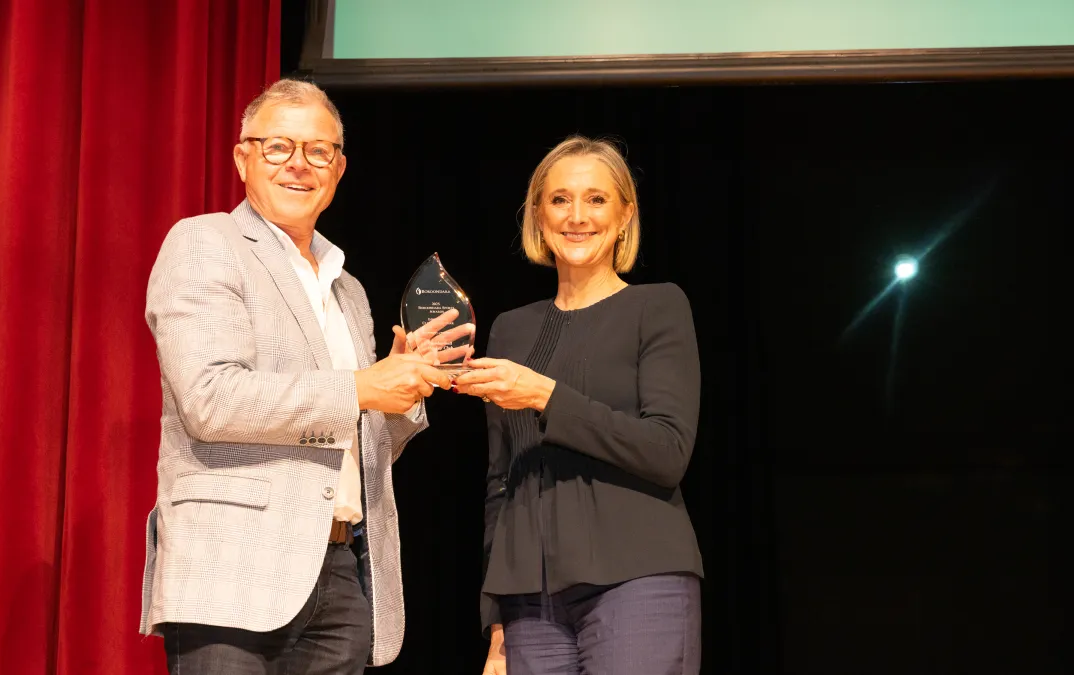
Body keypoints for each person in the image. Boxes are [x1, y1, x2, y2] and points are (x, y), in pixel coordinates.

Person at [139, 78, 464, 675]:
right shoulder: (204, 243)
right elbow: (210, 400)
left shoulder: (349, 289)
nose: (299, 165)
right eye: (278, 147)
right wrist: (363, 387)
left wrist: (406, 386)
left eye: (319, 151)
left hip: (340, 570)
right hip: (231, 572)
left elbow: (360, 444)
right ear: (243, 158)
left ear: (339, 169)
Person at [453, 136, 704, 675]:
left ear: (624, 215)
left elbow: (667, 451)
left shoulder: (657, 306)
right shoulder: (511, 328)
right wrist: (495, 618)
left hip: (638, 580)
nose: (577, 216)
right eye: (560, 199)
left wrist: (546, 396)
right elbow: (502, 480)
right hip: (529, 604)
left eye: (596, 199)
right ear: (538, 215)